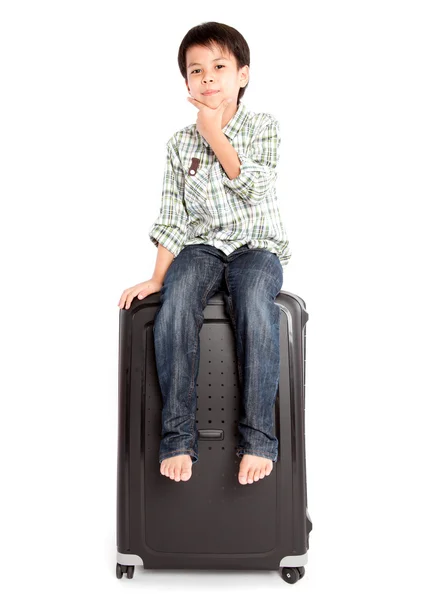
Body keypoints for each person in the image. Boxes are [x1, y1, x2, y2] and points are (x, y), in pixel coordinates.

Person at [117, 22, 292, 487]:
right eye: (197, 70)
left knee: (255, 303)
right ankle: (177, 438)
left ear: (243, 75)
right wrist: (157, 278)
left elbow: (252, 185)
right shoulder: (178, 144)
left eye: (219, 66)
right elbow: (172, 216)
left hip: (257, 246)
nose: (208, 77)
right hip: (202, 247)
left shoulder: (263, 127)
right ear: (187, 83)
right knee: (174, 306)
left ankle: (257, 439)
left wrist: (213, 131)